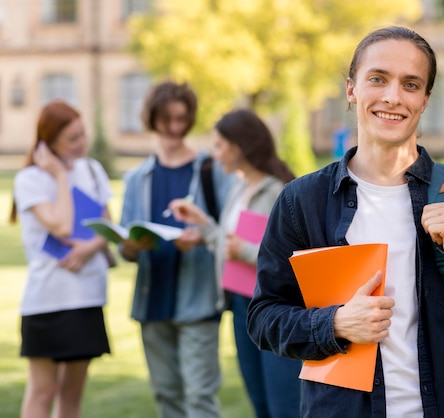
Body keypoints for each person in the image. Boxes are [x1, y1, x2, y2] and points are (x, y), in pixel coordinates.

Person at [247, 26, 444, 418]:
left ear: (425, 99)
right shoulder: (303, 200)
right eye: (378, 79)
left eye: (411, 84)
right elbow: (264, 317)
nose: (393, 97)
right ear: (351, 89)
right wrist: (333, 323)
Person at [168, 108, 301, 418]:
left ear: (238, 147)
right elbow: (229, 245)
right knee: (260, 403)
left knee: (284, 406)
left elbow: (294, 259)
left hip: (277, 309)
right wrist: (203, 225)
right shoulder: (238, 188)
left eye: (218, 145)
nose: (214, 155)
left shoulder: (280, 191)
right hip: (242, 307)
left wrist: (244, 250)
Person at [118, 81, 234, 418]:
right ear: (152, 119)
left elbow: (231, 232)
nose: (173, 128)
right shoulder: (137, 178)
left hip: (198, 301)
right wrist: (130, 246)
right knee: (166, 397)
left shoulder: (211, 170)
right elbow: (126, 250)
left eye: (181, 119)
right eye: (165, 119)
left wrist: (201, 236)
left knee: (200, 398)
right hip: (152, 300)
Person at [10, 100, 112, 418]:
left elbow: (108, 226)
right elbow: (62, 225)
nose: (81, 143)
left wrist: (87, 248)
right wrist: (60, 176)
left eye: (82, 135)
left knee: (72, 395)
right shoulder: (30, 179)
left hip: (87, 295)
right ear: (49, 141)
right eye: (72, 138)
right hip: (47, 300)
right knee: (42, 393)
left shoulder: (93, 169)